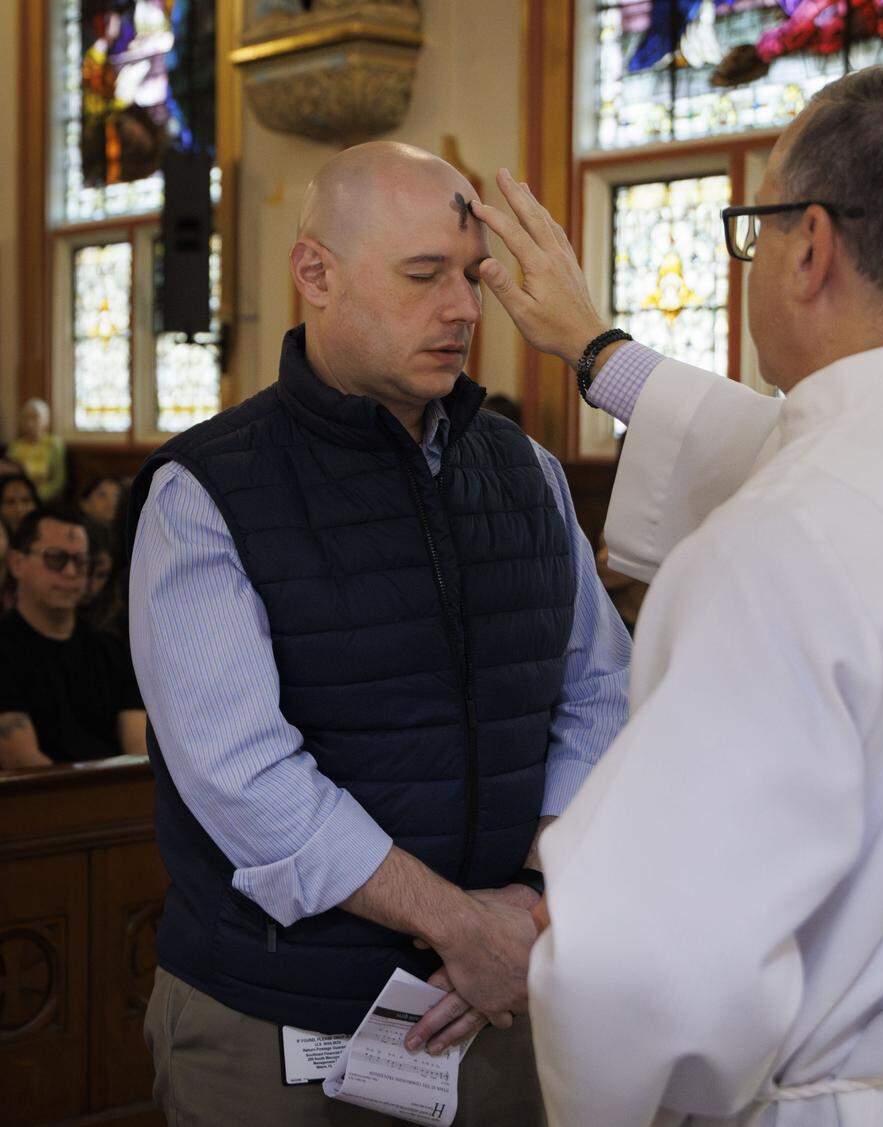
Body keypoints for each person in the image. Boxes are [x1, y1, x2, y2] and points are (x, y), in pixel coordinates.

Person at [469, 62, 883, 1125]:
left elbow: (637, 971)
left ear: (812, 245)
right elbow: (835, 460)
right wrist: (600, 354)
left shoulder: (778, 539)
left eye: (756, 229)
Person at [127, 141, 630, 1125]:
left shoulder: (525, 468)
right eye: (423, 276)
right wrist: (460, 922)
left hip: (495, 998)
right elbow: (244, 775)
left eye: (473, 277)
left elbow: (599, 691)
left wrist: (536, 900)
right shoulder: (204, 490)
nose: (464, 310)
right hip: (278, 1021)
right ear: (315, 273)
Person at [0, 506, 147, 769]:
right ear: (16, 563)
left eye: (81, 561)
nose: (70, 572)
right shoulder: (5, 648)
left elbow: (138, 750)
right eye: (55, 559)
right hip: (42, 801)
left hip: (116, 797)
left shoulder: (111, 650)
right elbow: (20, 759)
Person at [8, 398, 66, 502]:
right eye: (26, 417)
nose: (30, 423)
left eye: (35, 417)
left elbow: (58, 480)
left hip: (45, 498)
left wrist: (36, 496)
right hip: (18, 497)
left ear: (46, 420)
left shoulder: (54, 444)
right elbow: (10, 478)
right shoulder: (15, 446)